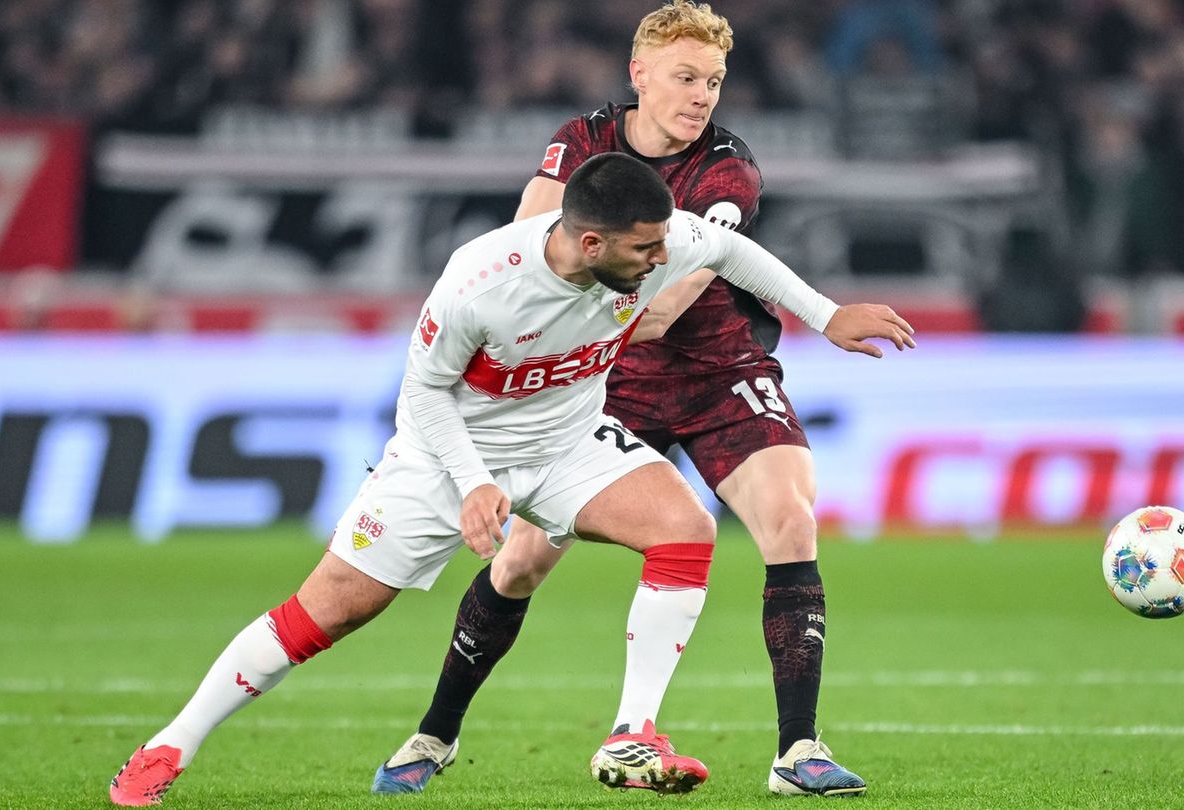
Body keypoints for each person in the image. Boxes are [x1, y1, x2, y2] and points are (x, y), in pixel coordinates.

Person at [106, 153, 914, 807]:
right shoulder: (480, 280)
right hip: (443, 456)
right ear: (590, 244)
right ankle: (169, 745)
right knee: (325, 613)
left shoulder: (654, 242)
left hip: (567, 441)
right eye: (644, 251)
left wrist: (824, 313)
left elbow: (732, 249)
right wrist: (469, 484)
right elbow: (422, 395)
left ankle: (631, 734)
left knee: (685, 528)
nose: (661, 261)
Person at [373, 0, 875, 799]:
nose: (701, 95)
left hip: (716, 367)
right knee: (524, 560)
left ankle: (798, 749)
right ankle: (435, 732)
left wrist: (547, 324)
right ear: (639, 74)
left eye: (712, 80)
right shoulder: (580, 142)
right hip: (603, 375)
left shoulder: (727, 169)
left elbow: (668, 304)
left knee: (790, 518)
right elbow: (523, 243)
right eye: (685, 77)